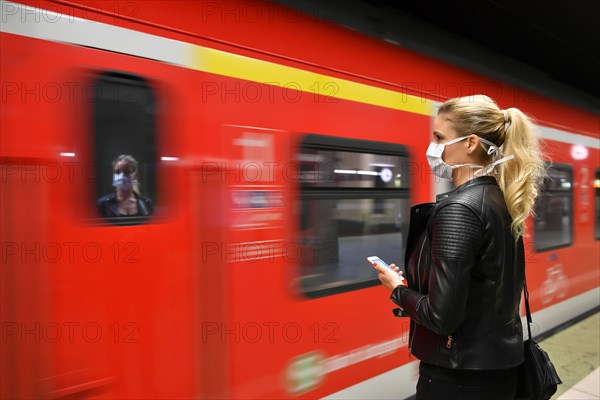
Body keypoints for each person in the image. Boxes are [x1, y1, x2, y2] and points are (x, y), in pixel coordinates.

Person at [373, 95, 545, 400]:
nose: (433, 147)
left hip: (459, 377)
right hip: (498, 368)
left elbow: (442, 317)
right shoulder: (500, 199)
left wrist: (398, 288)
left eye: (440, 138)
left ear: (471, 143)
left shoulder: (460, 210)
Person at [97, 154, 153, 219]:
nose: (122, 176)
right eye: (117, 172)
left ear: (135, 175)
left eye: (127, 172)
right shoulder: (103, 204)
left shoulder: (146, 203)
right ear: (113, 174)